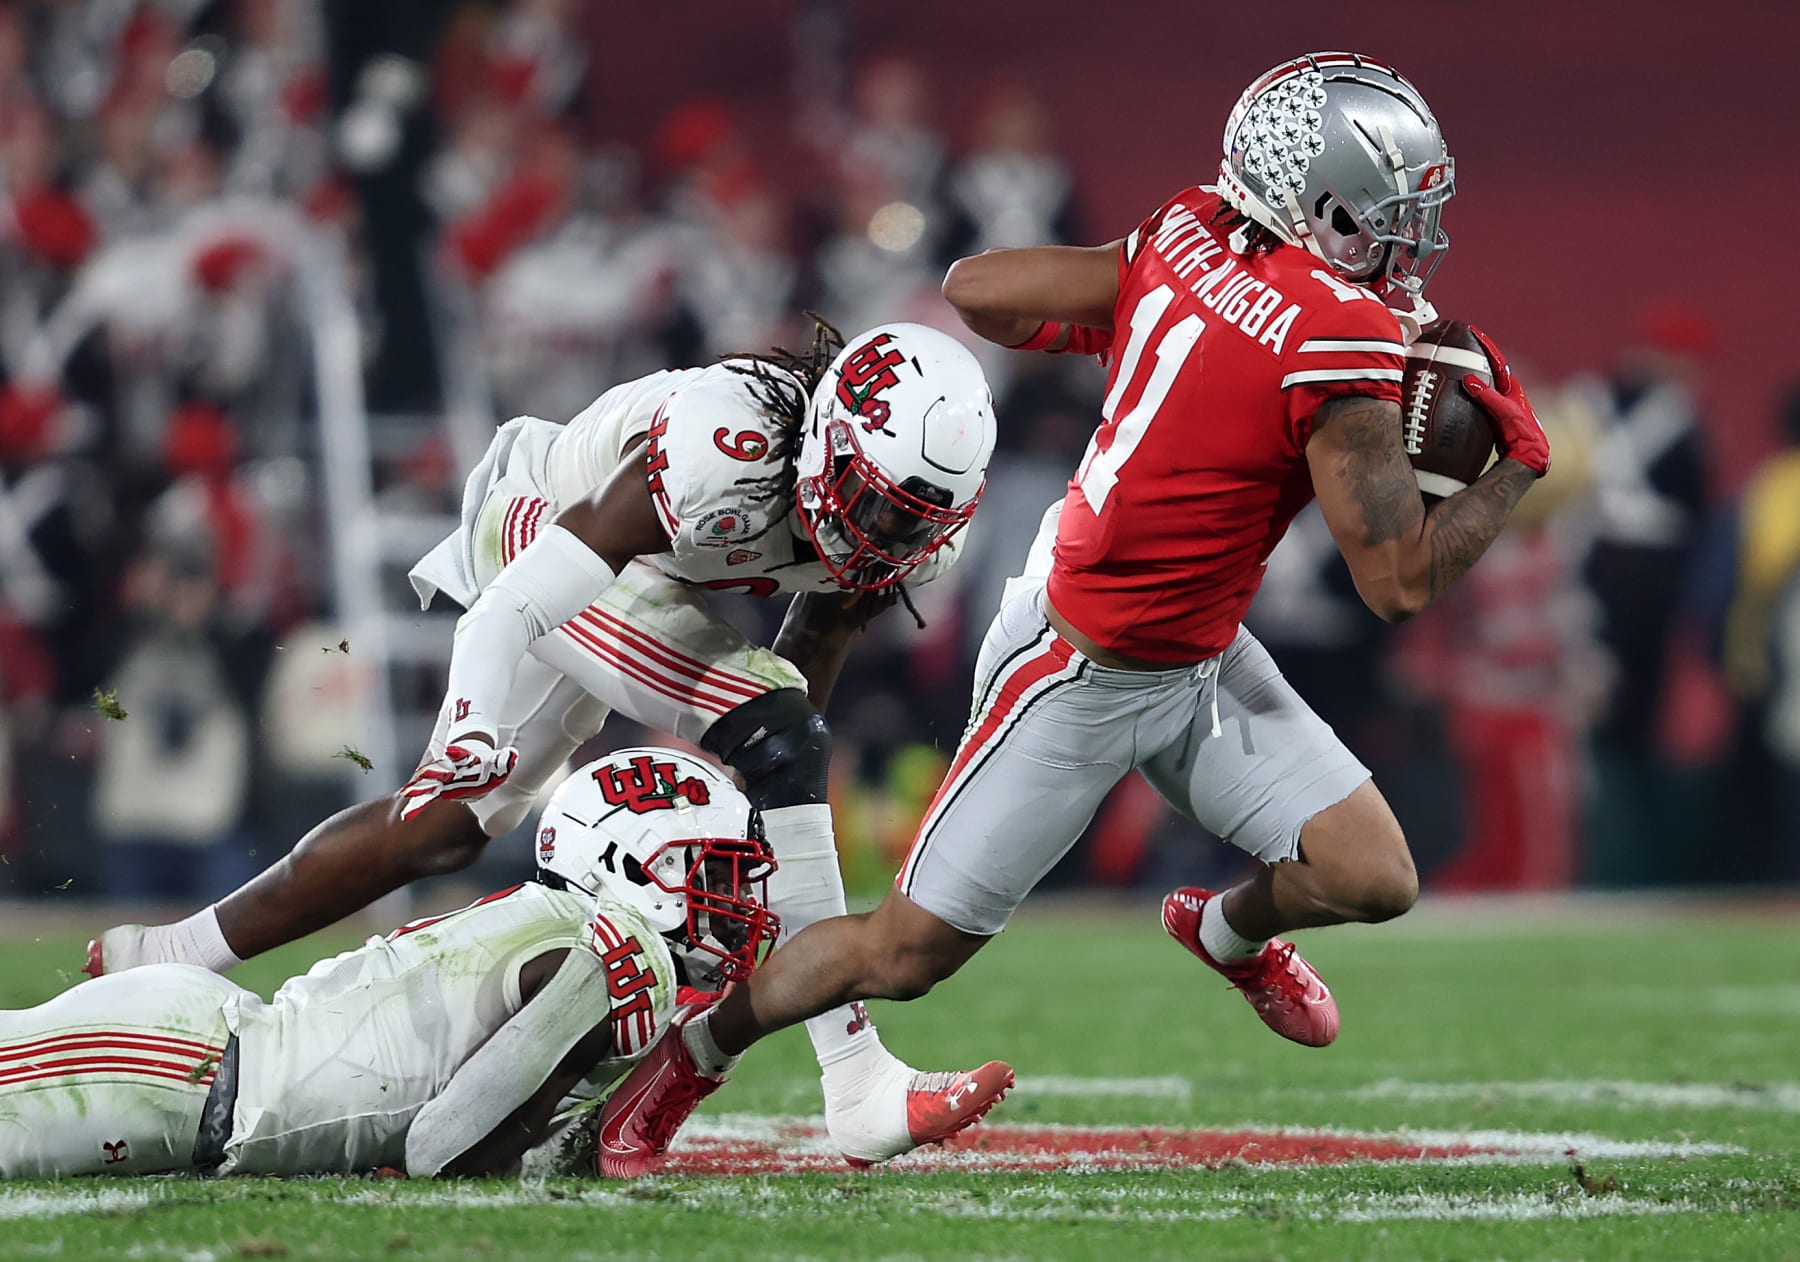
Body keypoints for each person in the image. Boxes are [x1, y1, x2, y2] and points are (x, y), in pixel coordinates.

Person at [593, 51, 1554, 1175]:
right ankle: (671, 1071)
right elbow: (1396, 581)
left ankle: (1225, 928)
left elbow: (975, 287)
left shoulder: (1191, 231)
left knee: (1372, 874)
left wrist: (1151, 323)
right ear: (1320, 206)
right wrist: (1519, 464)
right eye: (1389, 218)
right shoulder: (1333, 335)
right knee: (901, 952)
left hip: (1195, 649)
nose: (1408, 247)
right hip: (1077, 668)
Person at [87, 319, 1010, 1165]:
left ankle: (162, 958)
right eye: (873, 502)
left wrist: (770, 775)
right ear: (825, 442)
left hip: (640, 587)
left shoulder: (908, 527)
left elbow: (809, 654)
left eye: (908, 520)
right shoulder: (718, 447)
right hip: (539, 532)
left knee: (441, 833)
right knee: (760, 735)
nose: (881, 534)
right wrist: (472, 722)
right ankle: (854, 1076)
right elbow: (515, 605)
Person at [0, 748, 777, 1179]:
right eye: (711, 872)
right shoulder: (612, 951)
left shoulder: (573, 929)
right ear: (632, 862)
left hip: (193, 1065)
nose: (731, 899)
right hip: (178, 1073)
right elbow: (447, 1149)